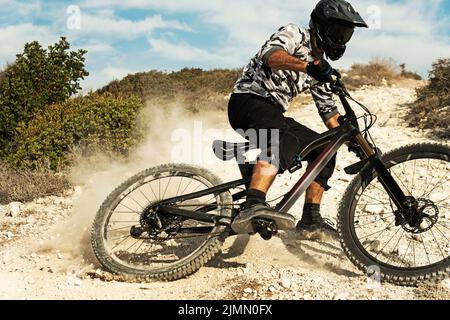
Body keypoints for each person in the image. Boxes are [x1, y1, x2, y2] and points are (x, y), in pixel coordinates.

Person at [228, 0, 368, 235]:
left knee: (325, 150)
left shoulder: (320, 67)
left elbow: (329, 114)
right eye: (337, 32)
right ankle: (253, 204)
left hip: (273, 112)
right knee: (283, 142)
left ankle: (311, 219)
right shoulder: (295, 33)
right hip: (248, 101)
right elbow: (271, 56)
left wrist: (356, 142)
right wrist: (308, 66)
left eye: (346, 35)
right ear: (321, 26)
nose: (341, 39)